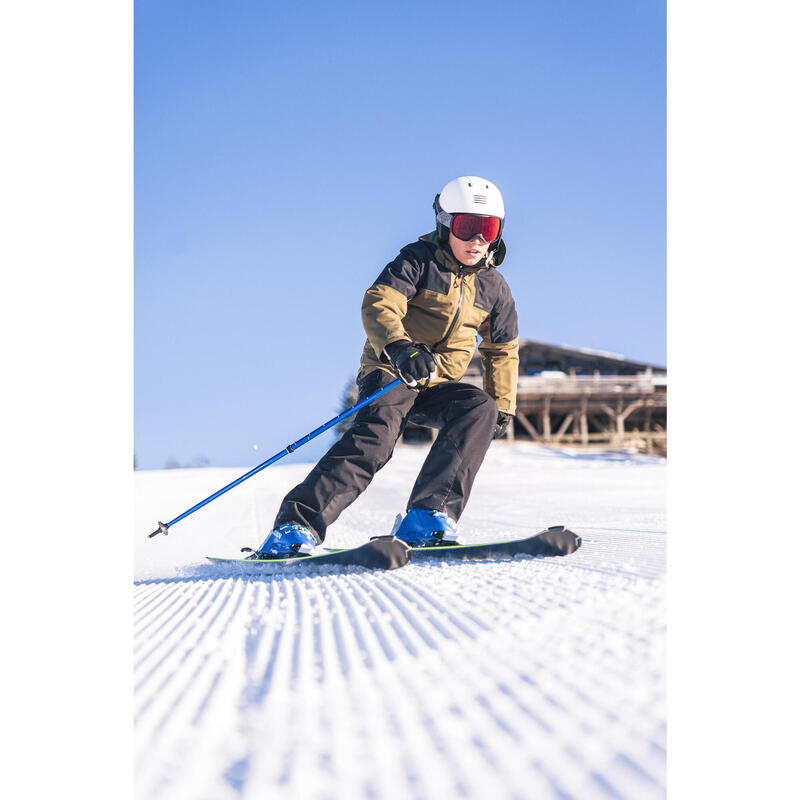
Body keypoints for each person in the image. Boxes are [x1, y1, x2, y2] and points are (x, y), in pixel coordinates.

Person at [251, 176, 519, 558]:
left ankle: (429, 516)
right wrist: (400, 348)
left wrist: (503, 404)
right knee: (375, 441)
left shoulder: (495, 288)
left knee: (479, 407)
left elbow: (503, 349)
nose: (478, 240)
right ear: (445, 224)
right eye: (467, 227)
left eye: (488, 229)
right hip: (393, 371)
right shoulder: (417, 260)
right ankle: (296, 525)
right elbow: (379, 303)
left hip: (437, 384)